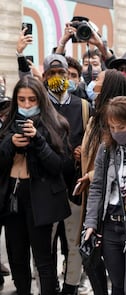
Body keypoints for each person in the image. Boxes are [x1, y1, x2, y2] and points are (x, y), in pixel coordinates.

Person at [0, 76, 71, 295]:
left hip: (40, 198)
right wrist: (9, 143)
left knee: (43, 259)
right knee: (16, 257)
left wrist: (38, 140)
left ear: (41, 99)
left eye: (32, 99)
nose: (27, 105)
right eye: (21, 99)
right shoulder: (8, 124)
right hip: (12, 195)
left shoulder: (56, 124)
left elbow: (58, 167)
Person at [76, 69, 126, 295]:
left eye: (98, 80)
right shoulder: (96, 121)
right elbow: (100, 176)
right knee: (97, 264)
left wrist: (90, 176)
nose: (93, 84)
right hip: (99, 208)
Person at [83, 96, 126, 295]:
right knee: (117, 283)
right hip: (110, 223)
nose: (117, 132)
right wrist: (91, 223)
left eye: (122, 127)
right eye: (112, 127)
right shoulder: (107, 149)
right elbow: (97, 187)